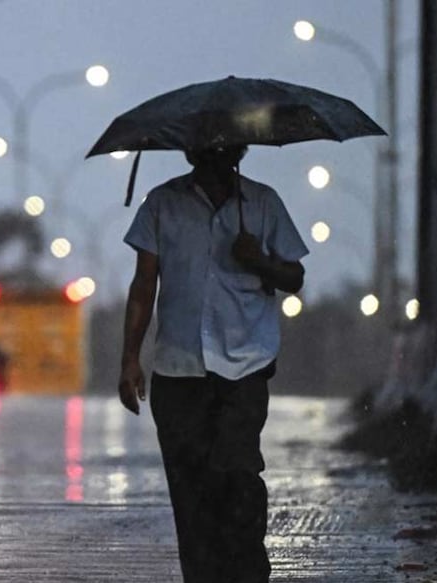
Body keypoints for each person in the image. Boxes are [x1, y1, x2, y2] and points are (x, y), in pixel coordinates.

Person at [117, 146, 308, 583]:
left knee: (238, 478)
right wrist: (130, 358)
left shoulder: (263, 203)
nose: (214, 152)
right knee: (191, 493)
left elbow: (294, 278)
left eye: (224, 144)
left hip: (244, 367)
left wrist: (258, 260)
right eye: (204, 143)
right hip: (178, 369)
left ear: (240, 150)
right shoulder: (161, 204)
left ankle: (247, 575)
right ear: (189, 151)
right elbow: (144, 284)